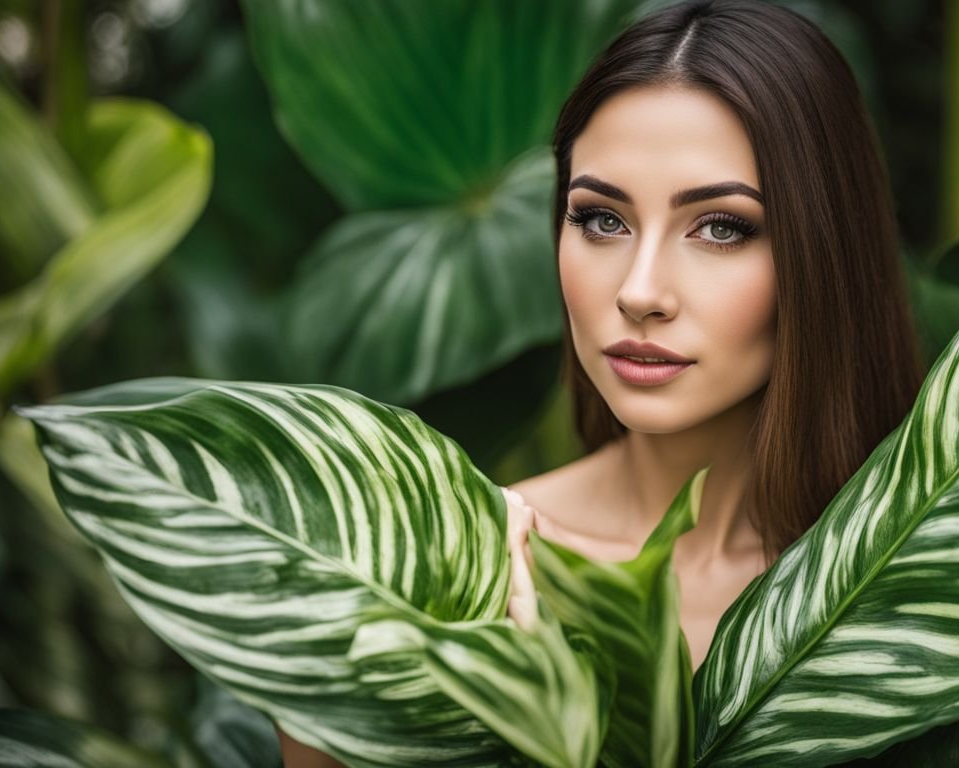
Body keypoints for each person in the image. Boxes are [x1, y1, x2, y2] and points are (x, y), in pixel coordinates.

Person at [277, 1, 924, 764]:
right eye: (601, 220)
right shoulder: (427, 584)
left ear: (825, 252)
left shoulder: (934, 582)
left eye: (721, 226)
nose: (640, 290)